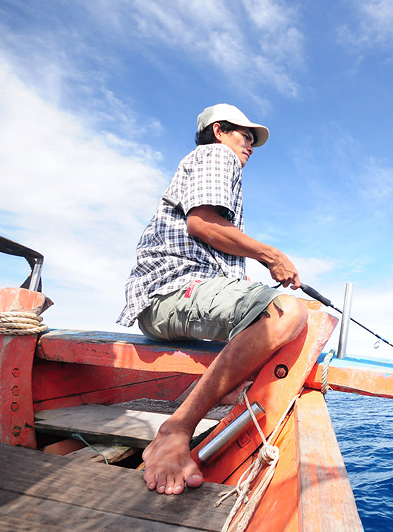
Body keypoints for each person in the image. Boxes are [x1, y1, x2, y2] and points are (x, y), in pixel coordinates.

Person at [117, 103, 308, 495]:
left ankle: (216, 400)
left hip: (176, 297)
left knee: (280, 320)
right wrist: (272, 256)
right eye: (245, 136)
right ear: (219, 131)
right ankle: (176, 429)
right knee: (288, 311)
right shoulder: (216, 155)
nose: (250, 146)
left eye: (253, 140)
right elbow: (202, 223)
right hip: (170, 294)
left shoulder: (215, 161)